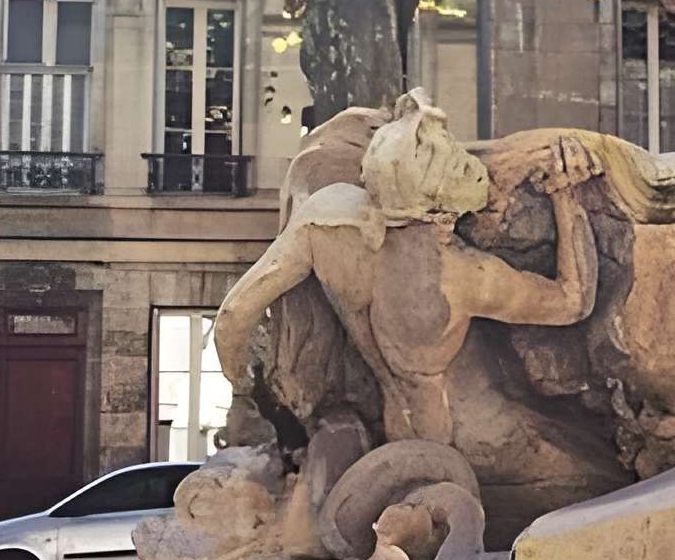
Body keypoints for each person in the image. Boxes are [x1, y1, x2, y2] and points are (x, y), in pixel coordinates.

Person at [212, 92, 599, 446]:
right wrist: (567, 195)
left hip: (389, 413)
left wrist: (242, 388)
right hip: (454, 438)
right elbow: (571, 302)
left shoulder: (329, 218)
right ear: (448, 211)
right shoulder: (463, 277)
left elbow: (234, 313)